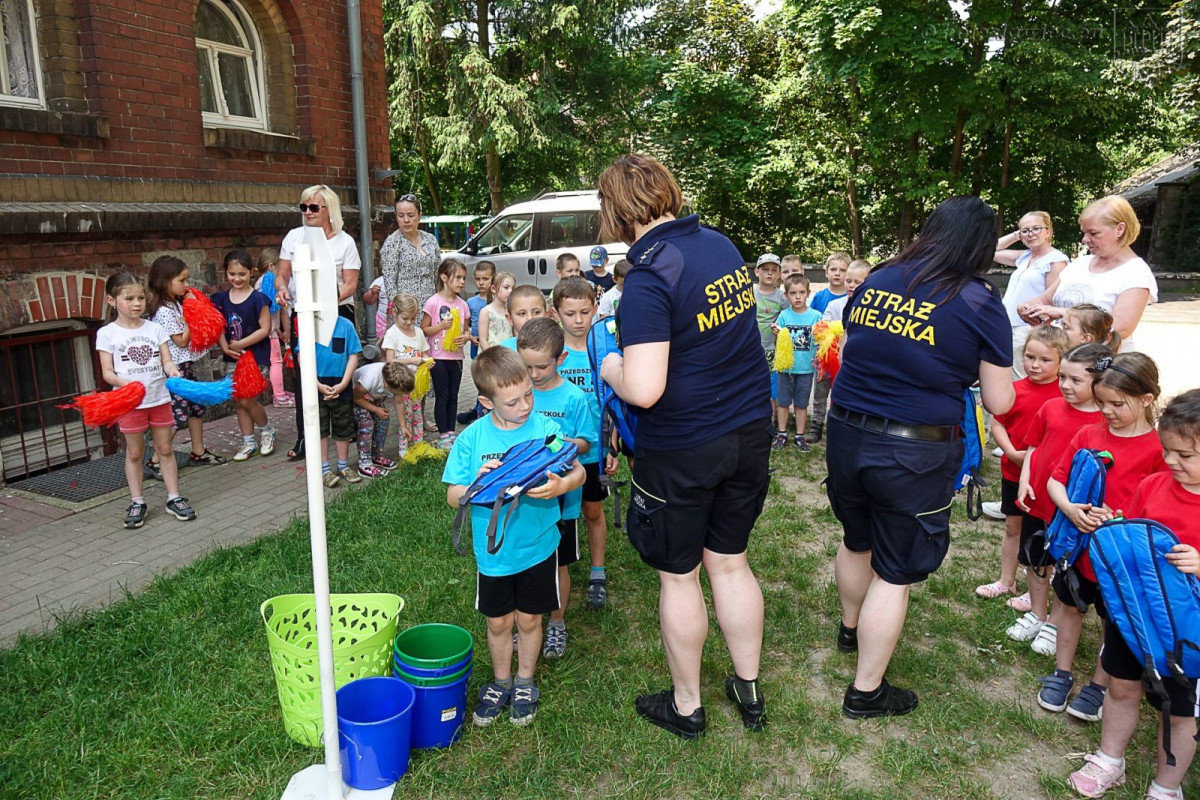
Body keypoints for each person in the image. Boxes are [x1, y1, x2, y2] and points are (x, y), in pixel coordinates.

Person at [597, 154, 772, 739]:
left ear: (616, 211)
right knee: (731, 562)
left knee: (680, 575)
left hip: (686, 444)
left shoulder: (649, 277)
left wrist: (611, 364)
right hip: (748, 430)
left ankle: (687, 704)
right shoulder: (718, 244)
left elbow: (644, 389)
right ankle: (748, 689)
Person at [828, 196, 1015, 719]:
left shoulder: (881, 278)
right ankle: (867, 691)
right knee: (897, 570)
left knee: (856, 536)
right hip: (914, 446)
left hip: (847, 428)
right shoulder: (979, 300)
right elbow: (999, 401)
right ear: (980, 248)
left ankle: (850, 629)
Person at [1064, 389, 1200, 800]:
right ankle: (1110, 760)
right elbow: (1135, 531)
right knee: (1121, 688)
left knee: (1178, 713)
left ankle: (1166, 786)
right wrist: (1113, 525)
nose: (1170, 461)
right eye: (1166, 450)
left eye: (1185, 455)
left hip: (1188, 637)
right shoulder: (1155, 484)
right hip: (1134, 616)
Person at [443, 346, 585, 727]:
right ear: (486, 402)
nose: (525, 406)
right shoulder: (471, 439)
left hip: (539, 548)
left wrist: (562, 486)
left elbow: (578, 472)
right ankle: (501, 680)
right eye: (512, 401)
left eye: (528, 395)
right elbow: (452, 494)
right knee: (498, 623)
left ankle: (525, 681)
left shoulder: (546, 430)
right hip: (494, 556)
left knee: (529, 621)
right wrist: (478, 484)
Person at [1034, 352, 1167, 723]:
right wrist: (1072, 509)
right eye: (1102, 402)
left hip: (1122, 560)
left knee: (1115, 620)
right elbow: (1056, 479)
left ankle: (1099, 683)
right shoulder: (1088, 434)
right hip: (1078, 550)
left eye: (1116, 404)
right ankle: (1061, 673)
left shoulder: (1159, 450)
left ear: (1146, 399)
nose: (1106, 411)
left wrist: (1120, 521)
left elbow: (1158, 508)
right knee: (1069, 607)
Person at [1007, 343, 1107, 641]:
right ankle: (1037, 612)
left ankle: (1054, 622)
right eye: (1062, 377)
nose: (1064, 385)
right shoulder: (1050, 407)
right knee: (1036, 559)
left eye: (1075, 380)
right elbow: (1034, 447)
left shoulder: (1103, 421)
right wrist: (1025, 479)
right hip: (1038, 500)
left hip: (1070, 509)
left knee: (1066, 566)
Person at [973, 326, 1070, 609]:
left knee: (1042, 535)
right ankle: (1006, 580)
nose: (1035, 365)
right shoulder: (1014, 389)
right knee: (1013, 527)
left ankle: (1036, 588)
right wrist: (1012, 452)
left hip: (1046, 480)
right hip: (1013, 471)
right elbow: (999, 421)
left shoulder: (1064, 394)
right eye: (1029, 357)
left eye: (1045, 360)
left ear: (1062, 361)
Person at [517, 317, 593, 658]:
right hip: (523, 497)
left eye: (541, 367)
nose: (533, 375)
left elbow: (587, 443)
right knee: (526, 561)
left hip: (562, 498)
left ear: (560, 360)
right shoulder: (518, 394)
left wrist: (563, 445)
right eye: (526, 366)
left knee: (559, 563)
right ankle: (527, 621)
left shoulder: (574, 397)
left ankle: (557, 623)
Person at [96, 272, 195, 529]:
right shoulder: (107, 334)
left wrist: (172, 370)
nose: (137, 303)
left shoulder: (155, 328)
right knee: (135, 452)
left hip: (159, 399)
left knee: (165, 449)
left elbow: (166, 360)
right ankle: (137, 501)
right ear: (111, 300)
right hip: (130, 404)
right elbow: (107, 372)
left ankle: (174, 498)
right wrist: (126, 385)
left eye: (140, 297)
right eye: (129, 298)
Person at [1019, 195, 1158, 352]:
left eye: (1093, 233)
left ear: (1120, 229)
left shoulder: (1136, 272)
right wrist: (1026, 307)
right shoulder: (1080, 263)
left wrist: (1063, 313)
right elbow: (1045, 299)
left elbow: (1122, 327)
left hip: (1102, 368)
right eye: (1084, 232)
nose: (1085, 239)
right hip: (1065, 364)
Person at [553, 277, 608, 609]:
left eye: (584, 312)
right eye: (569, 313)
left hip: (595, 450)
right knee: (559, 514)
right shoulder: (553, 351)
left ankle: (597, 572)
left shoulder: (602, 349)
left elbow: (612, 402)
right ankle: (558, 565)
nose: (577, 320)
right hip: (559, 454)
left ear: (594, 309)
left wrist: (612, 446)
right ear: (556, 312)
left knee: (593, 510)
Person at [145, 256, 226, 473]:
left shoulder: (175, 303)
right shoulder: (163, 311)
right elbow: (181, 339)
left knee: (196, 408)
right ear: (165, 281)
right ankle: (155, 460)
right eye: (182, 280)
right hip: (173, 371)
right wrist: (191, 311)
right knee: (177, 415)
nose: (187, 285)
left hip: (185, 366)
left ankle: (198, 451)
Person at [212, 250, 277, 462]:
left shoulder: (259, 299)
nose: (237, 279)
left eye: (242, 274)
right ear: (226, 273)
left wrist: (240, 344)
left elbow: (265, 328)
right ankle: (249, 441)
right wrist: (225, 347)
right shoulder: (220, 299)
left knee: (247, 399)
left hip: (255, 357)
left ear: (251, 272)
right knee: (239, 402)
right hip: (232, 357)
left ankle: (267, 430)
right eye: (232, 274)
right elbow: (218, 325)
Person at [993, 212, 1070, 378]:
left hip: (1028, 328)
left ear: (1048, 232)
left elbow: (1052, 298)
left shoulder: (1056, 260)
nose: (1031, 234)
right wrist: (1016, 235)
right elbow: (991, 250)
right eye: (1025, 231)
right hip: (1008, 323)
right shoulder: (1025, 256)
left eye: (1036, 228)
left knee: (1019, 375)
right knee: (1004, 373)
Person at [275, 185, 360, 319]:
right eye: (304, 207)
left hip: (337, 309)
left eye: (314, 208)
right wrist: (282, 288)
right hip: (302, 309)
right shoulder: (293, 237)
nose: (308, 212)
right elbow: (282, 276)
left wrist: (327, 304)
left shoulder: (345, 241)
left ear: (330, 210)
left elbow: (350, 284)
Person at [421, 259, 472, 448]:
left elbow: (466, 331)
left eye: (463, 278)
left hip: (456, 357)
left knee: (454, 395)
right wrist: (441, 326)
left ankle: (451, 433)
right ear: (444, 277)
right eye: (457, 277)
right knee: (442, 396)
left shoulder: (462, 304)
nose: (461, 282)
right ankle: (443, 436)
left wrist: (465, 338)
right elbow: (424, 329)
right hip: (439, 357)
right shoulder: (433, 302)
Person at [310, 314, 363, 487]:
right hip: (317, 384)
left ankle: (343, 465)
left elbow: (353, 356)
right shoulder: (309, 325)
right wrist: (317, 384)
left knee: (343, 425)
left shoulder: (346, 325)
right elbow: (303, 358)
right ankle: (324, 469)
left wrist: (343, 384)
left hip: (341, 384)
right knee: (320, 428)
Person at [771, 273, 821, 452]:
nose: (797, 297)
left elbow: (821, 338)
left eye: (801, 292)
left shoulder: (816, 316)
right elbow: (777, 339)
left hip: (805, 369)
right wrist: (776, 332)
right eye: (793, 293)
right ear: (786, 295)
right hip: (786, 368)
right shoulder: (784, 316)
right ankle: (782, 433)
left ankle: (799, 435)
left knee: (801, 403)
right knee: (783, 402)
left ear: (808, 293)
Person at [808, 251, 850, 443]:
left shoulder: (854, 298)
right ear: (826, 272)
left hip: (846, 357)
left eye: (843, 270)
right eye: (833, 269)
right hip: (824, 355)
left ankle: (837, 425)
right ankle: (816, 424)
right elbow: (816, 324)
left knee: (840, 392)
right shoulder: (822, 297)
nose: (837, 274)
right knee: (820, 392)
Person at [381, 292, 430, 449]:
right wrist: (411, 360)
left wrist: (427, 362)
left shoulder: (419, 333)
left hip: (416, 383)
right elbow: (390, 361)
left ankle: (419, 447)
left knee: (418, 416)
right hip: (401, 383)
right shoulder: (392, 334)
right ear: (395, 312)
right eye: (405, 319)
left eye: (413, 318)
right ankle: (404, 448)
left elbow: (424, 353)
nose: (409, 322)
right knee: (405, 416)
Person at [378, 193, 440, 312]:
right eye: (401, 215)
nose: (406, 220)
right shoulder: (392, 243)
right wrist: (399, 311)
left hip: (431, 307)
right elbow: (390, 283)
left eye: (410, 215)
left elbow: (437, 274)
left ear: (419, 216)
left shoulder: (430, 239)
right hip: (406, 311)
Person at [254, 247, 296, 408]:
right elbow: (276, 307)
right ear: (272, 266)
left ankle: (279, 392)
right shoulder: (269, 281)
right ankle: (279, 395)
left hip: (269, 329)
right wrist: (281, 329)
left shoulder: (260, 282)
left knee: (273, 362)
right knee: (276, 362)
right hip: (270, 331)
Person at [353, 361, 410, 475]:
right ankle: (364, 464)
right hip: (358, 397)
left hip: (374, 396)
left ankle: (376, 456)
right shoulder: (370, 379)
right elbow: (356, 398)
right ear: (386, 385)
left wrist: (403, 426)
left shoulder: (397, 379)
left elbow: (399, 402)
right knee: (367, 425)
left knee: (384, 418)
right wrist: (375, 410)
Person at [753, 254, 785, 419]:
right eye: (765, 269)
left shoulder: (782, 297)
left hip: (772, 349)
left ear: (779, 274)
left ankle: (770, 422)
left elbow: (788, 320)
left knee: (771, 389)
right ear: (757, 271)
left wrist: (780, 330)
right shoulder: (748, 292)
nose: (769, 273)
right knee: (751, 384)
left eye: (774, 270)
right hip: (750, 348)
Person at [497, 285, 548, 350]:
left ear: (546, 315)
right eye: (522, 314)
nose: (530, 319)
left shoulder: (557, 348)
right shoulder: (505, 349)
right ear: (510, 319)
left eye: (536, 312)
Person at [822, 259, 870, 324]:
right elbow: (823, 329)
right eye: (848, 281)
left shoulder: (873, 308)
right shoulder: (833, 306)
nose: (851, 285)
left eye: (857, 282)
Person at [478, 272, 516, 349]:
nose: (510, 291)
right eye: (506, 287)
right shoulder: (486, 312)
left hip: (508, 356)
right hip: (490, 356)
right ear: (494, 289)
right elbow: (483, 341)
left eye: (513, 288)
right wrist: (493, 358)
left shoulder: (511, 312)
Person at [467, 261, 496, 358]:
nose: (481, 282)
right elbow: (465, 325)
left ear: (493, 278)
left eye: (485, 279)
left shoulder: (497, 300)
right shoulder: (470, 302)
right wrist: (470, 337)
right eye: (477, 279)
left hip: (494, 343)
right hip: (476, 344)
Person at [361, 274, 387, 342]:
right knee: (383, 342)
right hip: (383, 318)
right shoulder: (381, 280)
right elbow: (368, 301)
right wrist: (372, 292)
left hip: (403, 318)